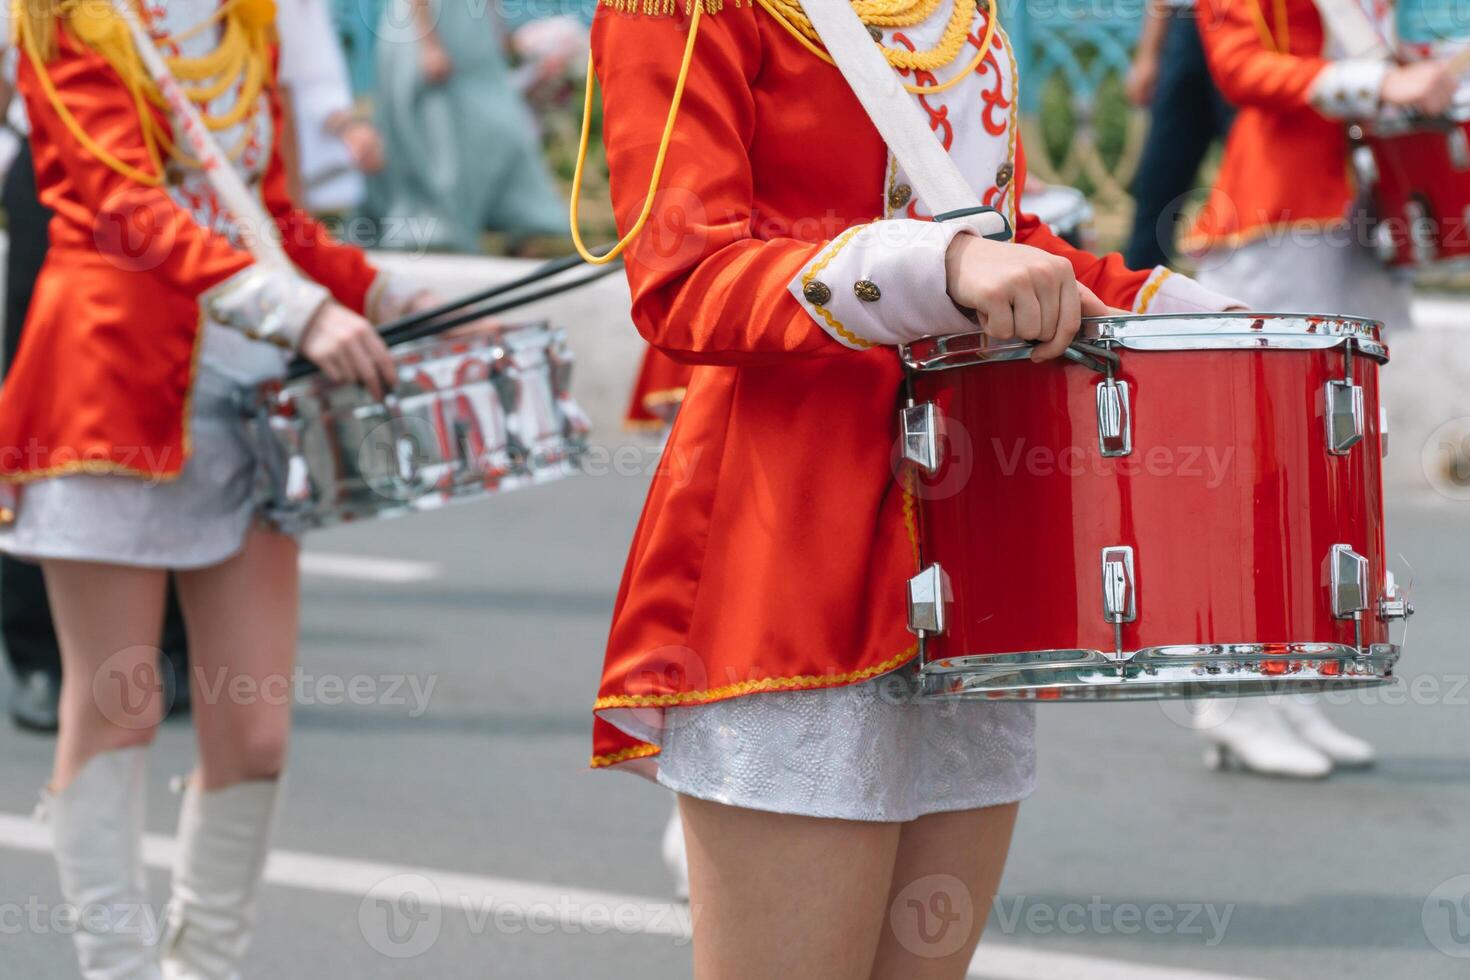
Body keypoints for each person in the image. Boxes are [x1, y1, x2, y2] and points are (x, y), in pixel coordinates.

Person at [581, 0, 1239, 972]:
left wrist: (1176, 307)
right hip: (796, 549)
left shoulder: (954, 10)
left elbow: (995, 238)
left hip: (975, 547)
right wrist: (939, 264)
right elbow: (684, 278)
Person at [0, 2, 438, 976]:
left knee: (257, 733)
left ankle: (205, 966)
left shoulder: (244, 19)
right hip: (107, 395)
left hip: (248, 399)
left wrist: (382, 290)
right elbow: (124, 208)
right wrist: (302, 310)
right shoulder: (66, 20)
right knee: (119, 708)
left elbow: (268, 216)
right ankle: (116, 967)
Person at [1184, 0, 1451, 778]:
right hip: (1275, 220)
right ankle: (1229, 692)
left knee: (1324, 467)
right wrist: (1379, 83)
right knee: (1255, 466)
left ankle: (1289, 678)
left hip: (1359, 214)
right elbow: (1241, 69)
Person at [368, 0, 568, 252]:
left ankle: (518, 221)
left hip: (471, 35)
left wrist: (498, 29)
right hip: (426, 27)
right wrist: (429, 44)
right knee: (436, 134)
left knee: (499, 125)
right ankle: (432, 230)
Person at [1123, 0, 1233, 269]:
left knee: (1254, 171)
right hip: (1187, 26)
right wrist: (1148, 54)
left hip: (1250, 27)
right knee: (1159, 173)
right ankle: (1137, 289)